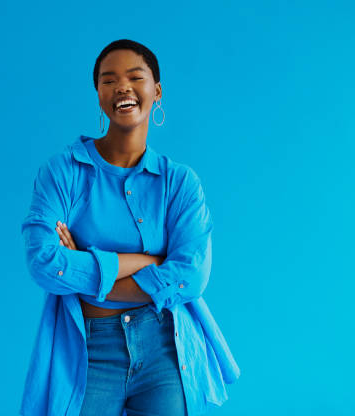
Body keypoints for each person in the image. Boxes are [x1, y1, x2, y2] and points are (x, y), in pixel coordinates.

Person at [20, 39, 240, 416]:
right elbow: (43, 262)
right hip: (89, 350)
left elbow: (191, 276)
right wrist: (142, 261)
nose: (122, 86)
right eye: (109, 80)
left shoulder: (180, 183)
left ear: (156, 92)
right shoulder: (62, 172)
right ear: (100, 95)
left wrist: (87, 275)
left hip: (164, 348)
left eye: (135, 77)